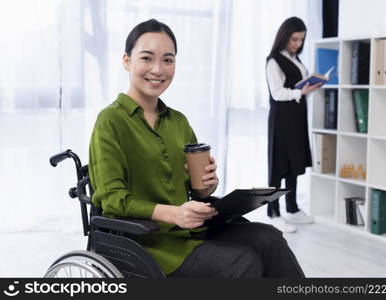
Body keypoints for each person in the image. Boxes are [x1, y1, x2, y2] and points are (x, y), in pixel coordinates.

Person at [89, 18, 304, 278]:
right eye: (147, 58)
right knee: (242, 262)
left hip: (191, 230)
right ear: (126, 61)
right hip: (148, 242)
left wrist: (206, 186)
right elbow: (111, 199)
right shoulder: (111, 121)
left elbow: (198, 191)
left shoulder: (178, 121)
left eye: (168, 60)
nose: (158, 69)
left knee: (270, 238)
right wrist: (175, 214)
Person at [266, 17, 321, 233]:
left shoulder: (295, 59)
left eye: (301, 40)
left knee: (294, 161)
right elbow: (277, 93)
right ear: (284, 37)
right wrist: (301, 91)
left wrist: (310, 85)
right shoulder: (273, 61)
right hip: (282, 118)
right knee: (278, 164)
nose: (298, 43)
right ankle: (274, 212)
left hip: (297, 116)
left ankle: (293, 208)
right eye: (294, 39)